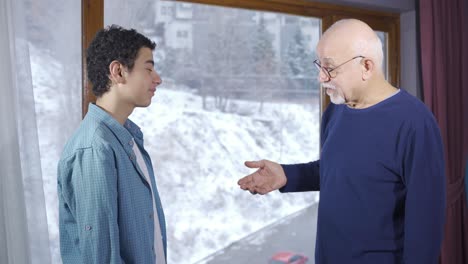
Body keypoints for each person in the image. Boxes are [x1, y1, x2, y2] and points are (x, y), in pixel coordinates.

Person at [238, 19, 445, 264]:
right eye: (319, 66)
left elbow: (425, 224)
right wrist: (286, 175)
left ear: (366, 66)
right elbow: (336, 170)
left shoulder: (415, 123)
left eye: (330, 68)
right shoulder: (336, 111)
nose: (321, 78)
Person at [57, 25, 166, 264]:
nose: (157, 79)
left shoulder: (128, 138)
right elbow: (101, 258)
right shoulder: (95, 149)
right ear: (117, 71)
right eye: (148, 69)